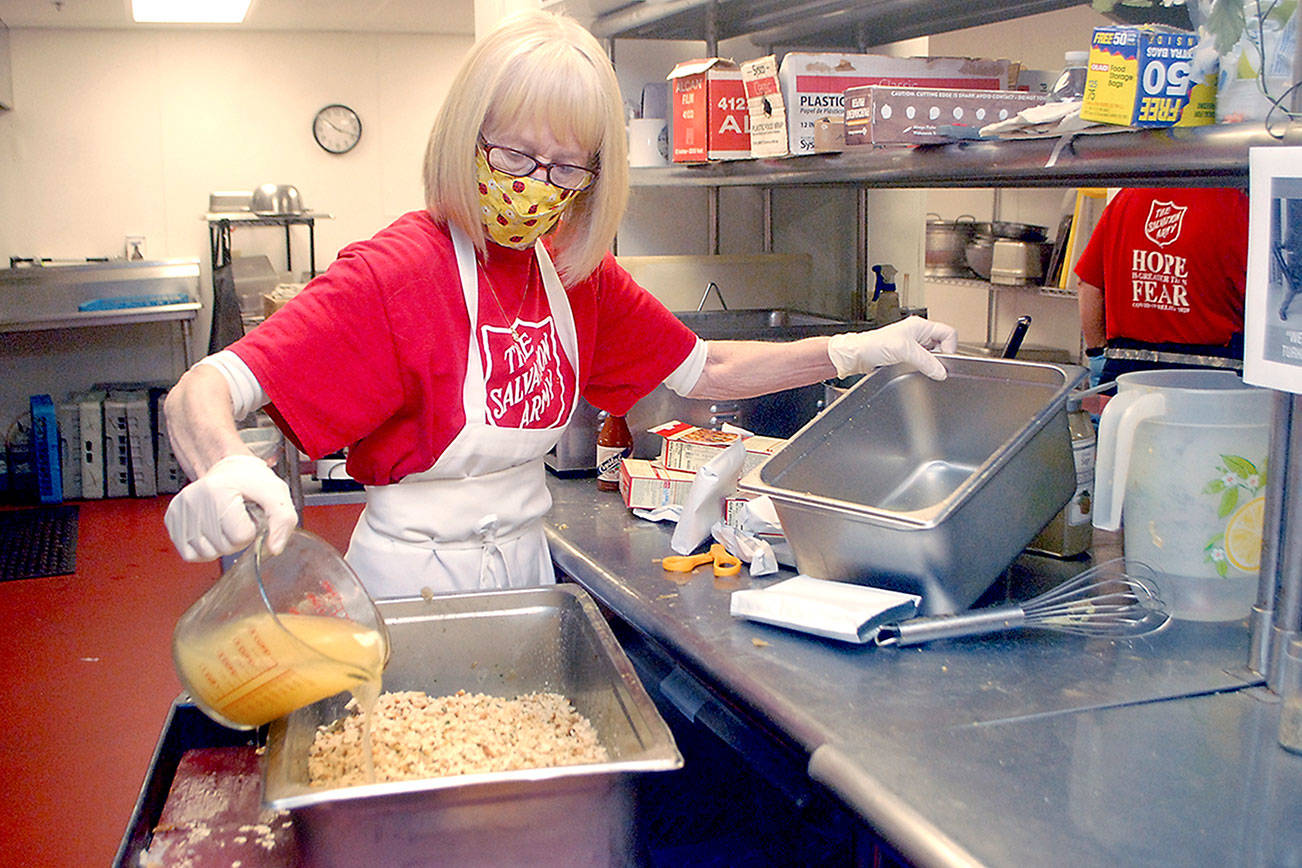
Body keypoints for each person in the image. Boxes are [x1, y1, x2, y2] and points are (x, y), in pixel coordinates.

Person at [161, 10, 958, 598]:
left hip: (527, 573)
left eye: (565, 169)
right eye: (513, 154)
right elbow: (204, 390)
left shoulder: (573, 275)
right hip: (411, 585)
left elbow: (705, 368)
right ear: (463, 138)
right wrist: (223, 464)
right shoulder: (394, 273)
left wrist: (857, 350)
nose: (535, 186)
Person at [1074, 187, 1248, 386]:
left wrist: (1097, 354)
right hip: (1210, 376)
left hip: (1125, 372)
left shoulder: (1127, 198)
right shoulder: (1234, 205)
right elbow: (1263, 294)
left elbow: (1088, 284)